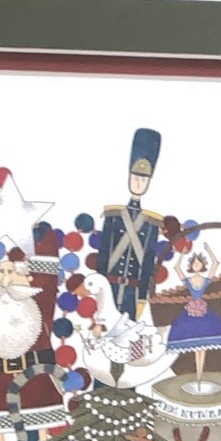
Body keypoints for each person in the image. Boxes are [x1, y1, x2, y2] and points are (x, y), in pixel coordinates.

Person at [95, 127, 164, 319]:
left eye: (143, 179)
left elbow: (147, 263)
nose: (139, 183)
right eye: (135, 178)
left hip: (132, 292)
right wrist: (99, 288)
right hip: (110, 287)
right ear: (129, 177)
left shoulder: (151, 223)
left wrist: (142, 297)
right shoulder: (113, 216)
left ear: (149, 182)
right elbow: (103, 255)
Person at [165, 243, 221, 393]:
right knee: (196, 348)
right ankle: (198, 377)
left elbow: (216, 263)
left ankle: (200, 376)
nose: (196, 265)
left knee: (203, 348)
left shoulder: (205, 280)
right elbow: (176, 268)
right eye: (194, 263)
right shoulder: (188, 280)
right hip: (191, 312)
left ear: (202, 265)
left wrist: (209, 250)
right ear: (191, 266)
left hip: (203, 312)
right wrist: (182, 254)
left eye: (198, 263)